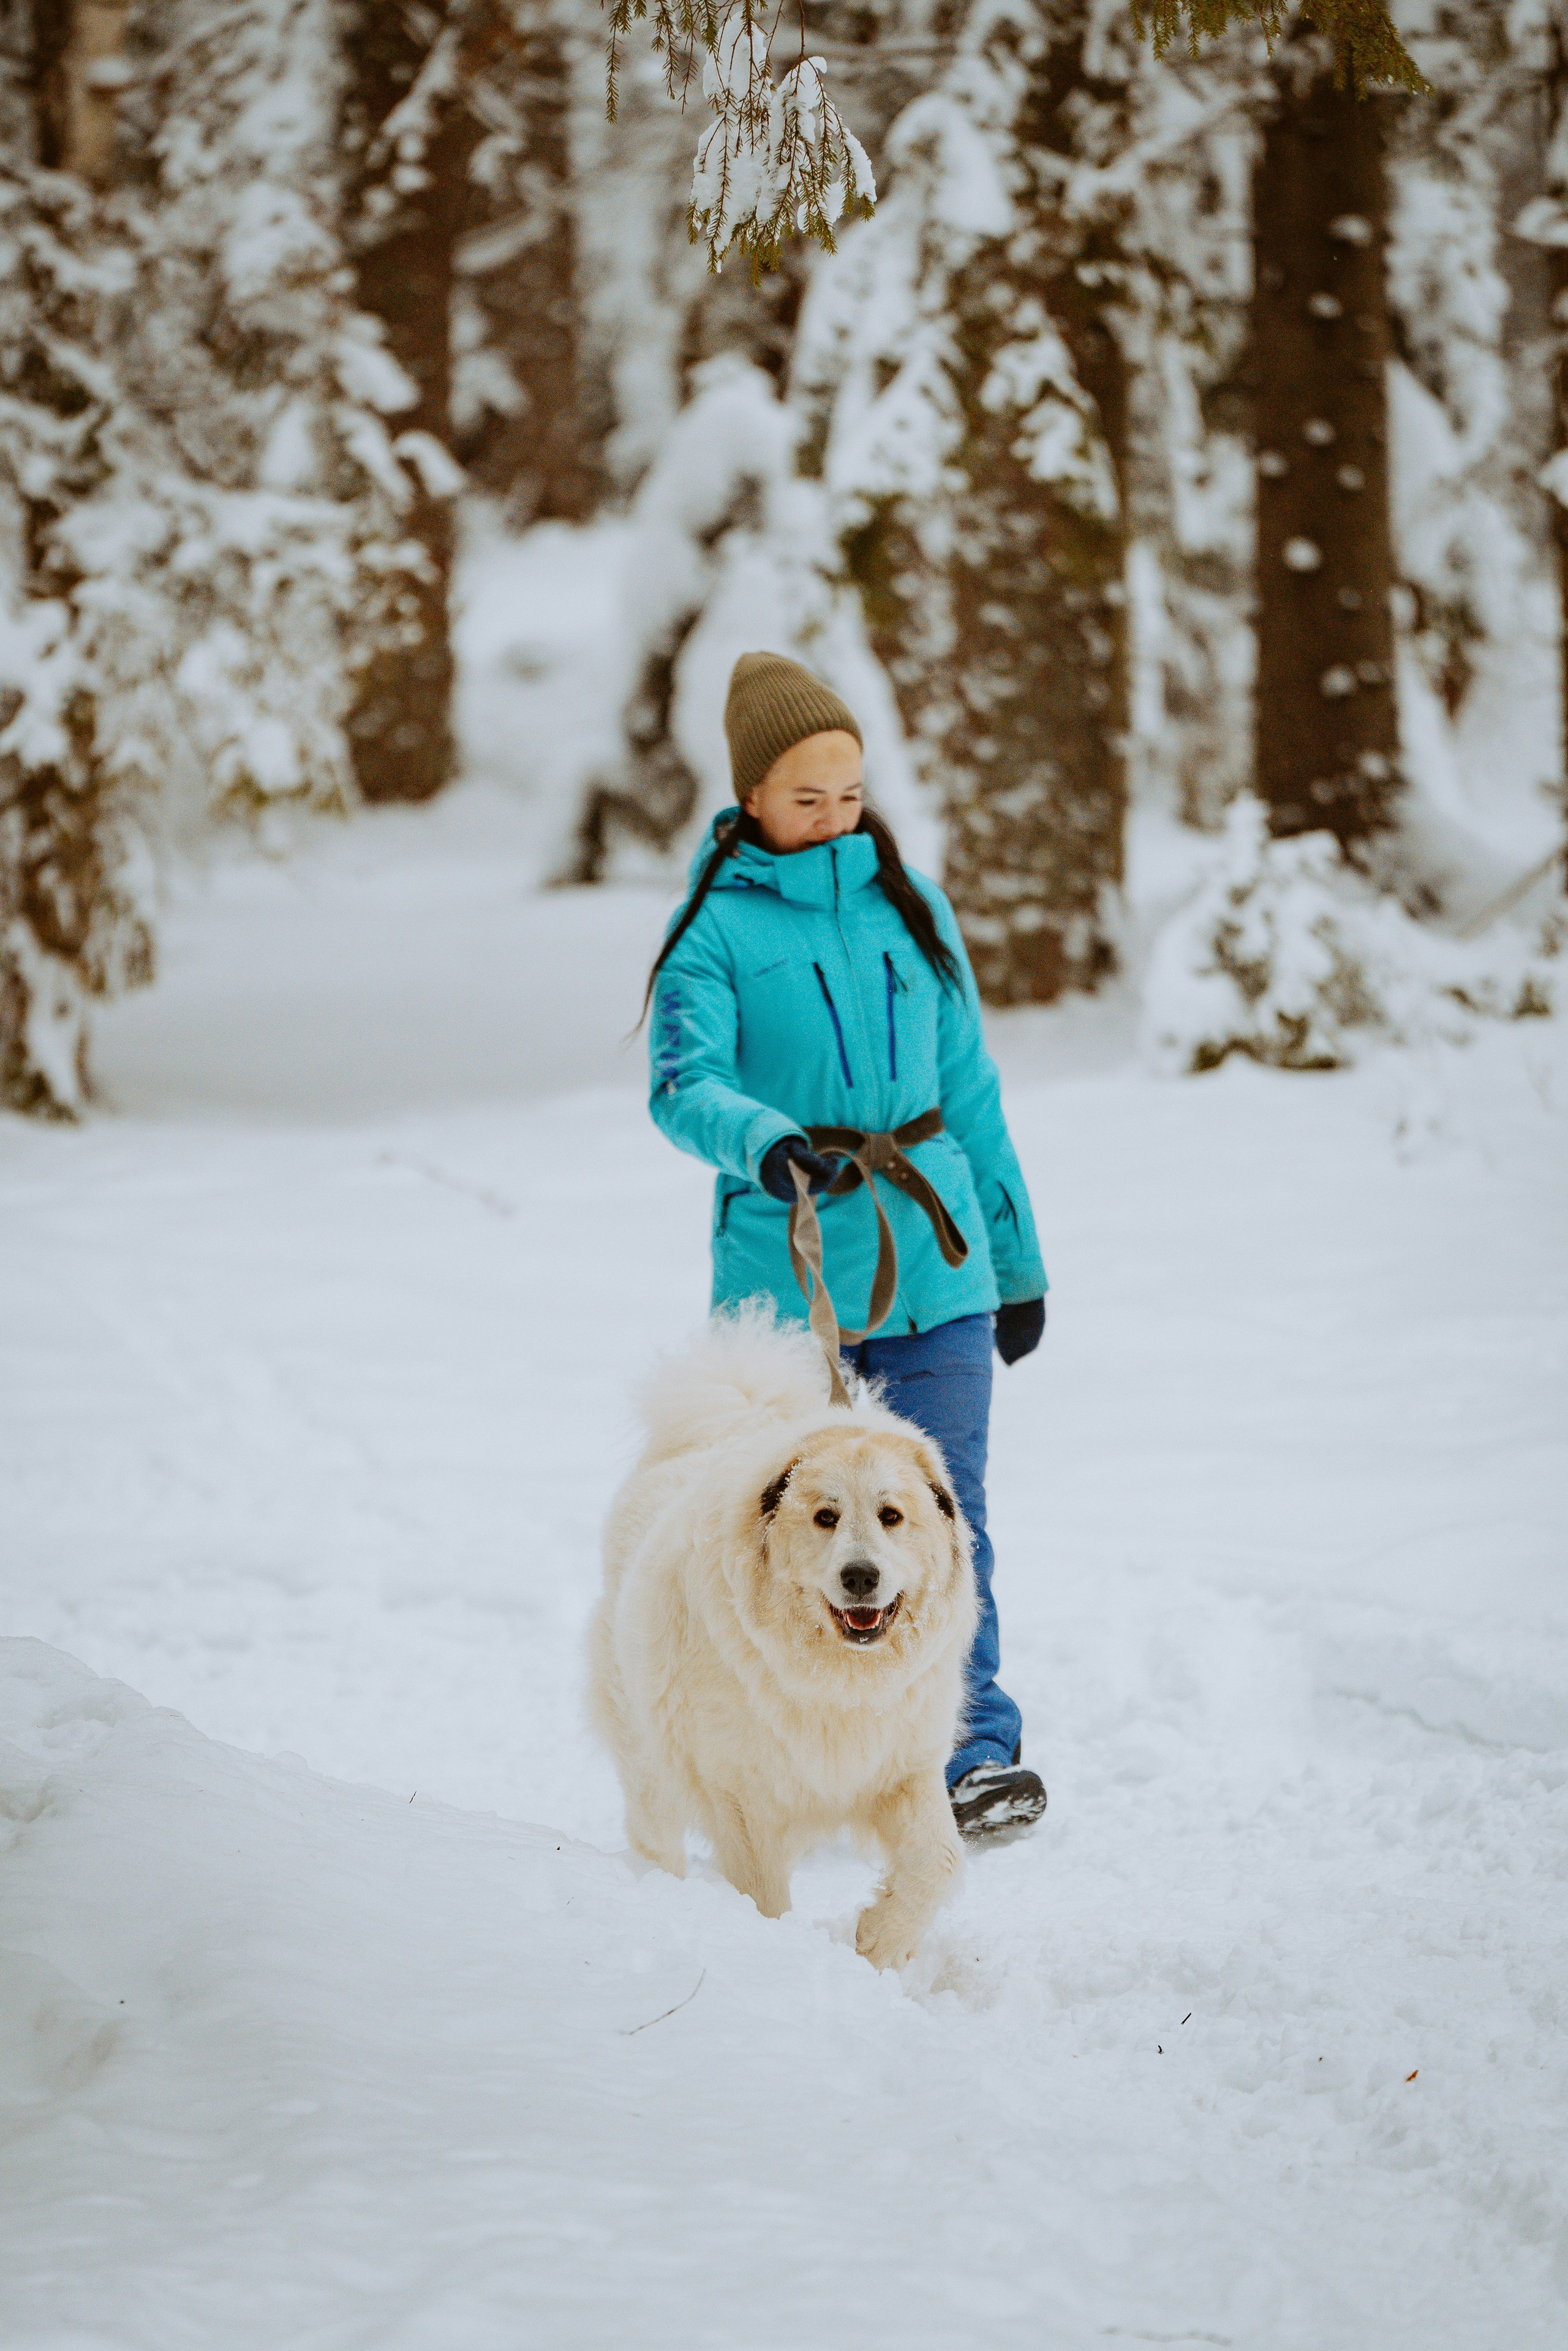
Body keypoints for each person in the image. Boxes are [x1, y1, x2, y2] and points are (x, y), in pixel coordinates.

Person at [643, 650, 1049, 1838]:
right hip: (792, 1279)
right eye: (806, 796)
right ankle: (779, 1753)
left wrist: (1016, 1263)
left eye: (850, 793)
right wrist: (760, 1137)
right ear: (752, 797)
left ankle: (964, 1753)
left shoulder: (911, 907)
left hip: (937, 1263)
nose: (833, 816)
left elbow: (971, 1093)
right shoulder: (712, 931)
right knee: (790, 1526)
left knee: (942, 1516)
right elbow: (681, 1083)